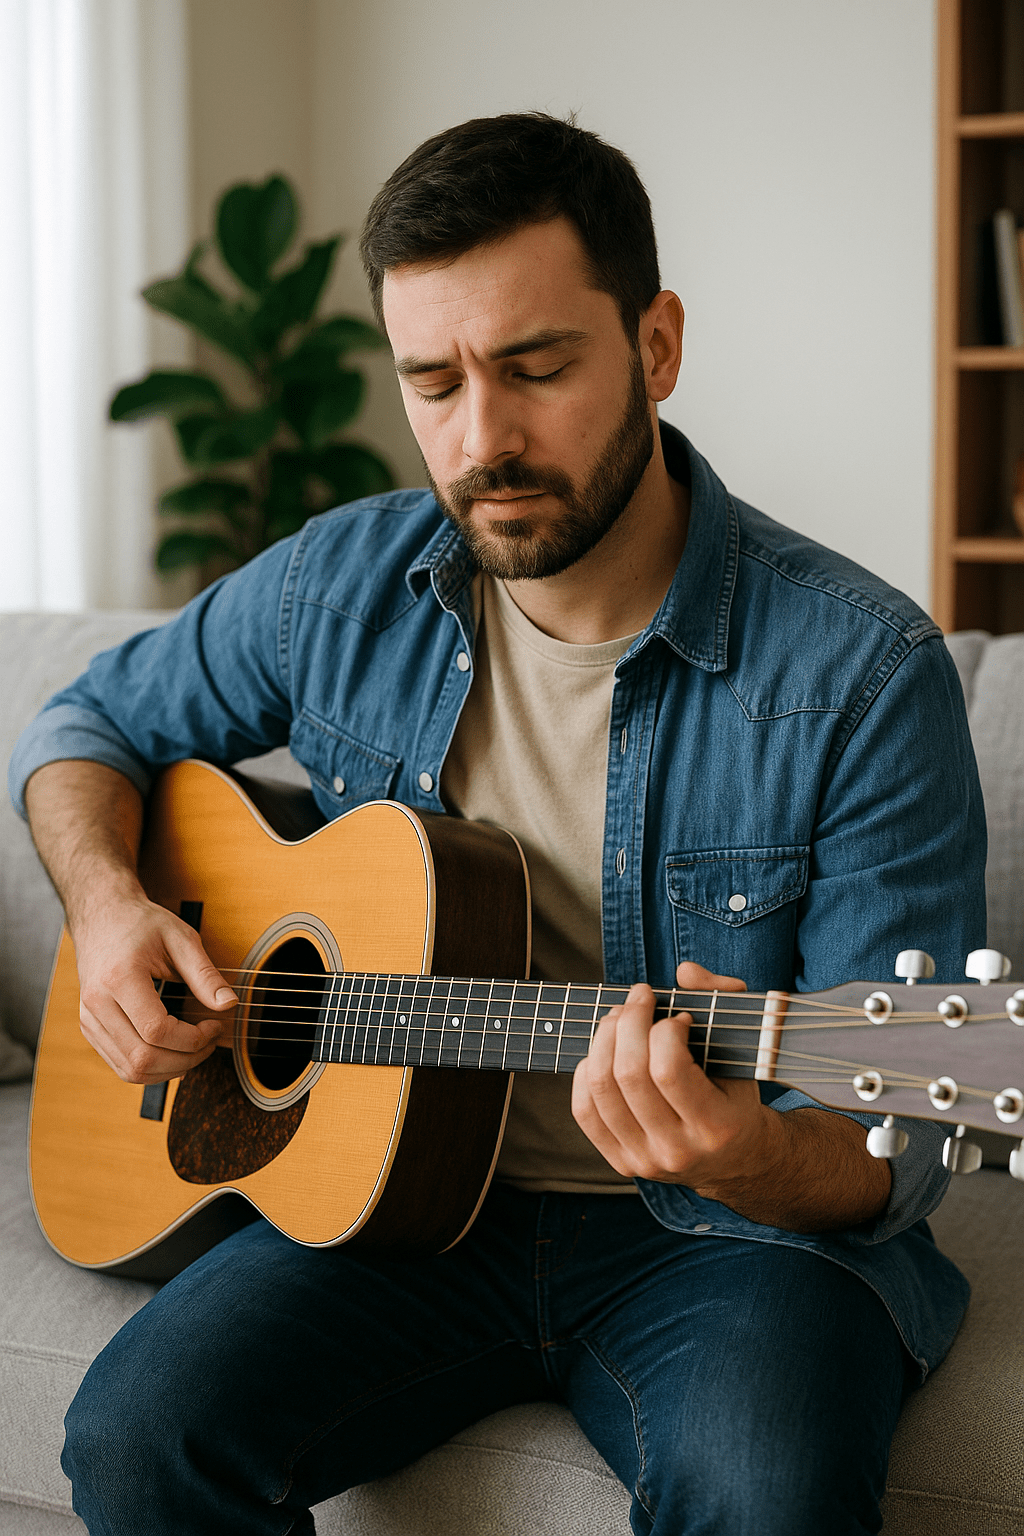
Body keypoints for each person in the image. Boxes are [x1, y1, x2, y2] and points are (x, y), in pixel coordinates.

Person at [11, 113, 985, 1535]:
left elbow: (886, 1134)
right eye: (434, 381)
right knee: (137, 1436)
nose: (483, 438)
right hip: (405, 1212)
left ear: (654, 346)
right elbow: (79, 730)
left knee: (769, 1495)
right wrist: (107, 907)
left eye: (535, 368)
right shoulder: (337, 585)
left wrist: (743, 1152)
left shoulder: (861, 673)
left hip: (724, 1241)